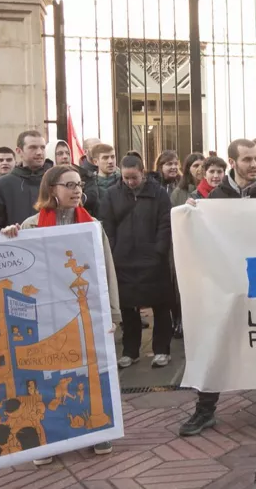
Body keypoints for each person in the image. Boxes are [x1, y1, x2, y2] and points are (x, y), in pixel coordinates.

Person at [179, 138, 256, 437]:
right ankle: (205, 409)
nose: (254, 165)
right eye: (247, 160)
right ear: (232, 163)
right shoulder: (216, 199)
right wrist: (192, 217)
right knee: (218, 344)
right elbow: (203, 239)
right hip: (229, 285)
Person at [0, 164, 119, 464]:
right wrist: (8, 236)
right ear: (52, 189)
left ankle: (98, 430)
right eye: (70, 185)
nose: (78, 190)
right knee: (48, 375)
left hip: (85, 310)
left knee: (93, 365)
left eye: (79, 184)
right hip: (47, 313)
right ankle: (47, 439)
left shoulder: (92, 225)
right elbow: (16, 266)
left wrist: (113, 313)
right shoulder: (30, 226)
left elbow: (107, 270)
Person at [101, 156, 175, 369]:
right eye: (126, 178)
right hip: (123, 260)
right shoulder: (112, 195)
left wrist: (159, 250)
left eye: (134, 177)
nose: (130, 182)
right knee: (128, 309)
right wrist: (113, 251)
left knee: (161, 307)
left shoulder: (159, 193)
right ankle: (130, 351)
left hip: (153, 259)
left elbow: (165, 223)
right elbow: (107, 225)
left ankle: (162, 350)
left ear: (143, 172)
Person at [0, 130, 49, 232]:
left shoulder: (55, 181)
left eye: (42, 147)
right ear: (19, 151)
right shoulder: (1, 184)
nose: (39, 152)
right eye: (33, 147)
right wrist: (4, 231)